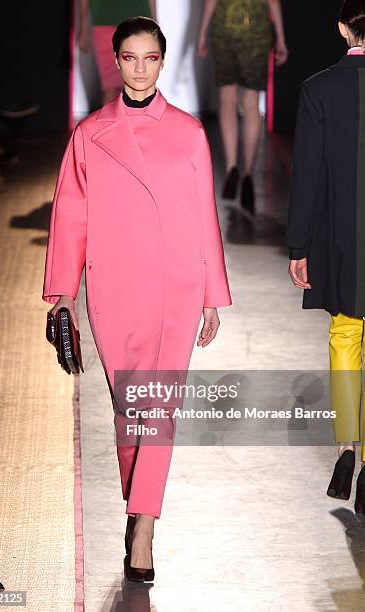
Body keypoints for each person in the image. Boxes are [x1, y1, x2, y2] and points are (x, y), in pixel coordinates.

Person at [43, 16, 232, 582]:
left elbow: (204, 215)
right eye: (131, 58)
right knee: (132, 410)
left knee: (161, 409)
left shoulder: (189, 131)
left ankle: (143, 528)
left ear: (162, 60)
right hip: (115, 286)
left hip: (176, 285)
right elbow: (70, 215)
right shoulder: (90, 134)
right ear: (117, 61)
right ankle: (138, 504)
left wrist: (211, 295)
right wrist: (61, 295)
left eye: (151, 58)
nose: (141, 68)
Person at [288, 0, 365, 514]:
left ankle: (346, 447)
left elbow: (308, 177)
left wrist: (299, 247)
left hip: (342, 236)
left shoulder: (319, 89)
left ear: (342, 28)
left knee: (345, 334)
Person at [197, 0, 288, 215]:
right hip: (255, 29)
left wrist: (202, 33)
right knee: (251, 103)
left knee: (227, 99)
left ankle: (231, 167)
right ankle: (247, 173)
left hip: (225, 26)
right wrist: (281, 38)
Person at [79, 0, 156, 104]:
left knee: (135, 87)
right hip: (104, 19)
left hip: (136, 18)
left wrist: (154, 24)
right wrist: (83, 26)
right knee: (111, 87)